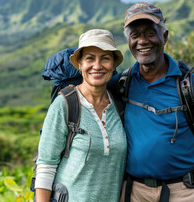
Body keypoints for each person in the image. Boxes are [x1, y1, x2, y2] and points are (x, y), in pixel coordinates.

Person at [112, 2, 194, 202]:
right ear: (128, 42)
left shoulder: (192, 86)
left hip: (186, 192)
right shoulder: (121, 84)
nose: (142, 41)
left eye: (150, 33)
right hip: (134, 192)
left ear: (164, 36)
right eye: (135, 35)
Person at [35, 29, 127, 202]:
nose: (97, 66)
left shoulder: (119, 105)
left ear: (114, 64)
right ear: (79, 63)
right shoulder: (65, 105)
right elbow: (46, 167)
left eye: (105, 58)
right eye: (90, 58)